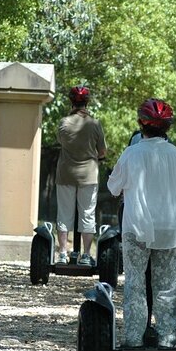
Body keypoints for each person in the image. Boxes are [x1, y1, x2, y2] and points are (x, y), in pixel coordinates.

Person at [107, 98, 176, 348]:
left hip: (137, 227)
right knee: (168, 285)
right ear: (167, 127)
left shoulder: (132, 153)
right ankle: (167, 340)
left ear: (141, 125)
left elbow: (113, 187)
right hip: (171, 227)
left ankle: (134, 339)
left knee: (135, 283)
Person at [55, 85, 107, 266]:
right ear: (87, 102)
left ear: (71, 101)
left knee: (64, 213)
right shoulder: (94, 123)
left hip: (66, 174)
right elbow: (102, 152)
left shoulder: (63, 123)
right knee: (87, 214)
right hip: (88, 175)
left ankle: (62, 253)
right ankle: (85, 255)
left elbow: (61, 142)